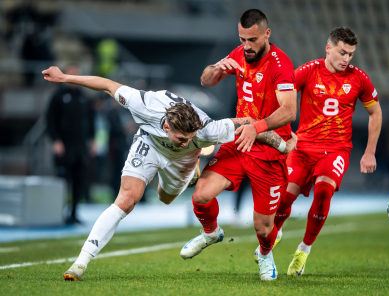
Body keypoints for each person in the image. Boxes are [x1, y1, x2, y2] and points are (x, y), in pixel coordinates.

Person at [41, 66, 296, 281]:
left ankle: (191, 174)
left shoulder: (206, 129)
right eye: (180, 137)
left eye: (189, 137)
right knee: (127, 199)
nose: (185, 140)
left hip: (184, 161)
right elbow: (107, 85)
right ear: (166, 125)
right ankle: (81, 262)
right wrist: (65, 78)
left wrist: (285, 145)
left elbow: (250, 124)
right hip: (150, 145)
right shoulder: (144, 105)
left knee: (165, 197)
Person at [179, 9, 297, 281]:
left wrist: (255, 127)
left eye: (252, 40)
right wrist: (218, 69)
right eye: (242, 39)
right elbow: (205, 80)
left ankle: (265, 254)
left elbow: (289, 111)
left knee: (264, 228)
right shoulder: (238, 53)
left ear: (267, 34)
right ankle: (210, 233)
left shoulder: (280, 64)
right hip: (238, 144)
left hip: (268, 149)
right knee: (201, 195)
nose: (247, 46)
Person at [269, 27, 383, 276]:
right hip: (302, 147)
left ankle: (303, 251)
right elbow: (282, 96)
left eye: (351, 55)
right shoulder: (309, 71)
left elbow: (375, 113)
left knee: (323, 192)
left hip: (336, 150)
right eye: (343, 53)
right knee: (285, 198)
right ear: (328, 48)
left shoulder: (359, 78)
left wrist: (370, 152)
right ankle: (273, 234)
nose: (347, 59)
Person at [46, 65, 96, 224]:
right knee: (63, 182)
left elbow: (91, 120)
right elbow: (50, 120)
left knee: (79, 181)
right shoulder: (58, 96)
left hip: (80, 147)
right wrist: (56, 140)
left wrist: (92, 139)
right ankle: (59, 213)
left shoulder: (84, 97)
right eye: (72, 75)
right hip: (64, 146)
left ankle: (74, 213)